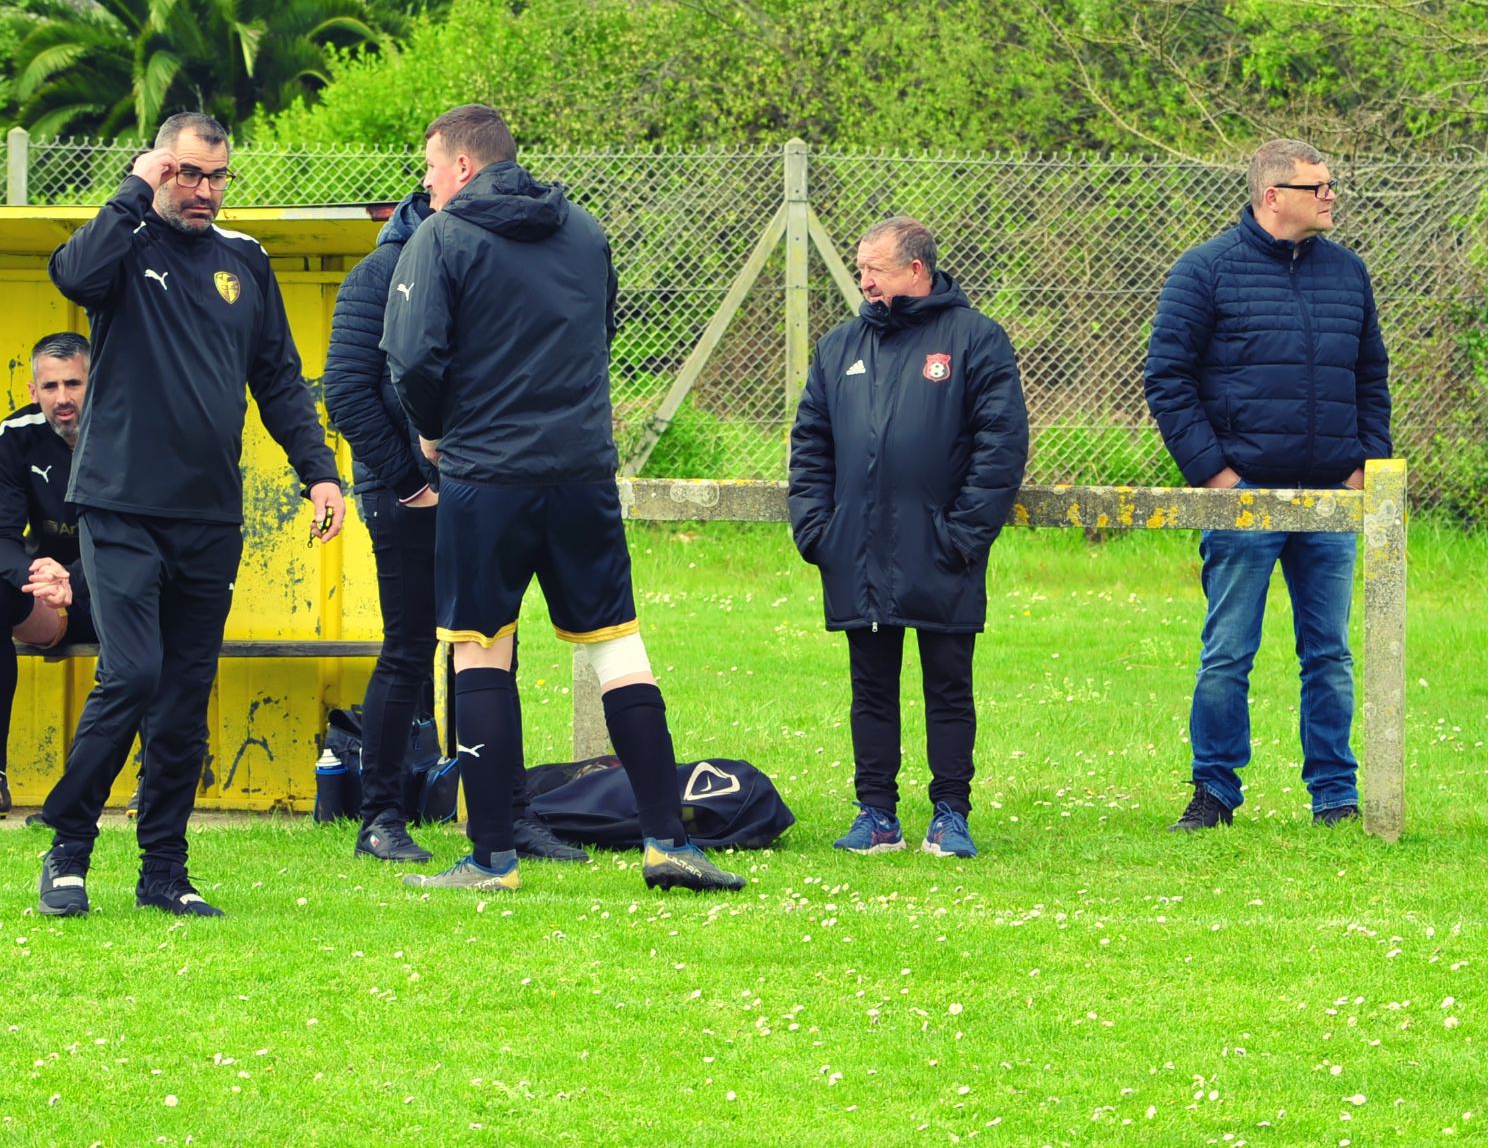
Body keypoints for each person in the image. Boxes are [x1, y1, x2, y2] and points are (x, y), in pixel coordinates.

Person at [381, 103, 743, 894]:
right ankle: (666, 841)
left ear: (464, 167)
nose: (428, 184)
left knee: (480, 647)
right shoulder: (583, 230)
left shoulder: (440, 238)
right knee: (618, 646)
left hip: (486, 475)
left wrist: (435, 431)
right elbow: (599, 332)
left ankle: (491, 858)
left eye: (430, 169)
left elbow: (412, 358)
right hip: (581, 471)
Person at [33, 112, 346, 918]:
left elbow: (276, 377)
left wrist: (319, 473)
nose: (203, 191)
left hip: (209, 515)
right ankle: (68, 848)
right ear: (160, 170)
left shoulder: (245, 263)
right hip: (120, 504)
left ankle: (163, 871)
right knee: (132, 671)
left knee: (182, 695)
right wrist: (136, 186)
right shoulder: (125, 245)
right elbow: (71, 275)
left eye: (216, 177)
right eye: (187, 174)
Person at [322, 192, 587, 865]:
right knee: (409, 648)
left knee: (494, 648)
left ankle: (507, 814)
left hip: (481, 487)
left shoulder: (482, 264)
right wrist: (408, 481)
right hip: (403, 491)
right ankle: (380, 817)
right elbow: (348, 390)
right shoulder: (379, 273)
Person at [1144, 139, 1390, 831]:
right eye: (1318, 185)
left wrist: (1364, 465)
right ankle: (1214, 792)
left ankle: (1335, 797)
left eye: (1331, 182)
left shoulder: (1348, 273)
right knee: (1227, 653)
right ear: (1273, 194)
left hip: (1329, 501)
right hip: (1243, 499)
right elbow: (1168, 378)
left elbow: (1371, 374)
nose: (1331, 194)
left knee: (1330, 655)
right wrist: (1220, 478)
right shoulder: (1205, 271)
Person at [787, 216, 1027, 860]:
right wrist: (818, 529)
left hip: (942, 550)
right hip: (856, 552)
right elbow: (810, 442)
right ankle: (877, 815)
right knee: (870, 687)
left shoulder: (975, 339)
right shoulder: (840, 347)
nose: (862, 280)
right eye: (860, 268)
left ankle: (950, 814)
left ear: (915, 270)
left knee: (949, 686)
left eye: (875, 269)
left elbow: (1000, 446)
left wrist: (962, 535)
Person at [0, 332, 99, 821]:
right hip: (48, 595)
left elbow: (138, 534)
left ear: (92, 380)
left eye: (73, 383)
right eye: (50, 386)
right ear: (33, 390)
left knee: (162, 601)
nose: (62, 398)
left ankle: (150, 782)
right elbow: (0, 536)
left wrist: (74, 578)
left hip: (116, 587)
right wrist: (38, 576)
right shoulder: (15, 434)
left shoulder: (126, 429)